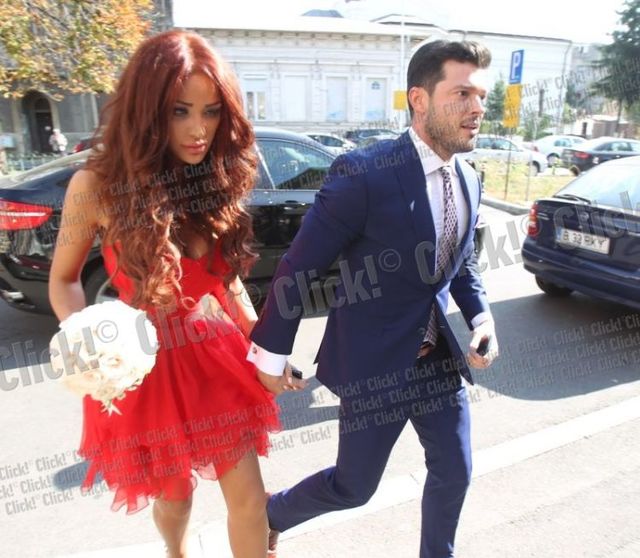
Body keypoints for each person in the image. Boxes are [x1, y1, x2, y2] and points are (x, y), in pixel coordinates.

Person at [49, 30, 297, 558]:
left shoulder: (213, 178)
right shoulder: (95, 186)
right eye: (180, 111)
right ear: (146, 110)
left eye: (211, 112)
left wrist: (266, 349)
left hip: (211, 353)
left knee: (249, 498)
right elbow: (64, 280)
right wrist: (86, 340)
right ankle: (176, 551)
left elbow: (227, 281)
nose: (198, 129)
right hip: (141, 366)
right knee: (175, 497)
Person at [249, 39, 499, 558]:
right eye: (462, 94)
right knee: (353, 487)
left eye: (481, 96)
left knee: (455, 471)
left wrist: (481, 318)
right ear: (419, 99)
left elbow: (461, 262)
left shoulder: (470, 180)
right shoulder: (364, 172)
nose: (477, 107)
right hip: (375, 366)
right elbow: (300, 266)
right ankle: (273, 513)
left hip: (435, 361)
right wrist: (270, 355)